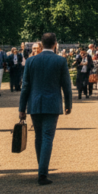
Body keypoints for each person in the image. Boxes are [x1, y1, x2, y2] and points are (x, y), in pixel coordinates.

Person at [19, 33, 73, 186]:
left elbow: (25, 87)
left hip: (35, 102)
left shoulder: (31, 61)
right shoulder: (60, 60)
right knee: (47, 137)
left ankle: (41, 168)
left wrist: (21, 108)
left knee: (39, 137)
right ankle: (42, 173)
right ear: (55, 44)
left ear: (41, 45)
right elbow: (66, 85)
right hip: (52, 103)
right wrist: (68, 104)